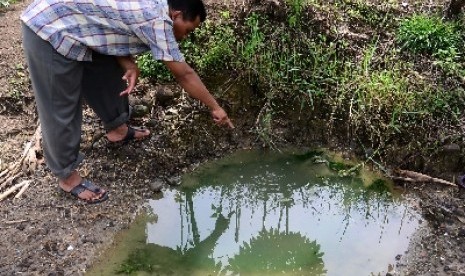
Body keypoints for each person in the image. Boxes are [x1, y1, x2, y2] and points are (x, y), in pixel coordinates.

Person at [20, 0, 234, 203]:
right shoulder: (158, 20)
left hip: (78, 24)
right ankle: (67, 177)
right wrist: (216, 107)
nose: (185, 37)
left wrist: (129, 63)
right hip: (48, 27)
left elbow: (111, 25)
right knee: (60, 104)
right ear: (176, 14)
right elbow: (184, 75)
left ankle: (117, 129)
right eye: (188, 30)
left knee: (108, 70)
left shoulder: (158, 7)